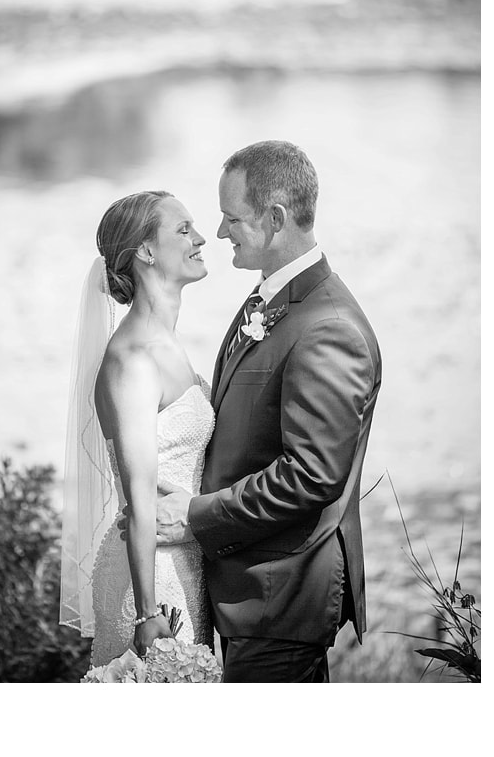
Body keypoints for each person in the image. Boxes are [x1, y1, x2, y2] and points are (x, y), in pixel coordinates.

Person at [153, 140, 382, 682]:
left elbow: (311, 476)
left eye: (232, 217)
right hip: (248, 589)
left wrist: (196, 514)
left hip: (279, 597)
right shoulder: (273, 298)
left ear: (275, 218)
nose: (220, 231)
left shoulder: (327, 327)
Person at [59, 189, 215, 664]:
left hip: (186, 561)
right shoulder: (132, 360)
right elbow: (140, 495)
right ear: (145, 251)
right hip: (150, 579)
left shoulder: (167, 344)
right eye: (184, 230)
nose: (201, 238)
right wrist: (148, 614)